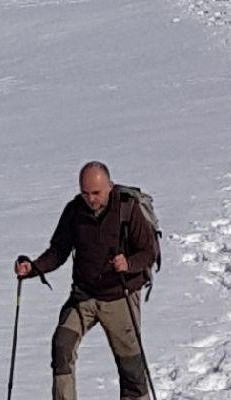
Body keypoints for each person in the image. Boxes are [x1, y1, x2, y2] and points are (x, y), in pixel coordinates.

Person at [15, 161, 158, 400]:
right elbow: (59, 250)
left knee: (131, 368)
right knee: (62, 346)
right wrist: (33, 268)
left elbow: (149, 252)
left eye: (96, 193)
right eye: (85, 193)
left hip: (119, 297)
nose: (90, 199)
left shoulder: (128, 209)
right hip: (83, 296)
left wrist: (128, 264)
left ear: (110, 186)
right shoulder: (74, 211)